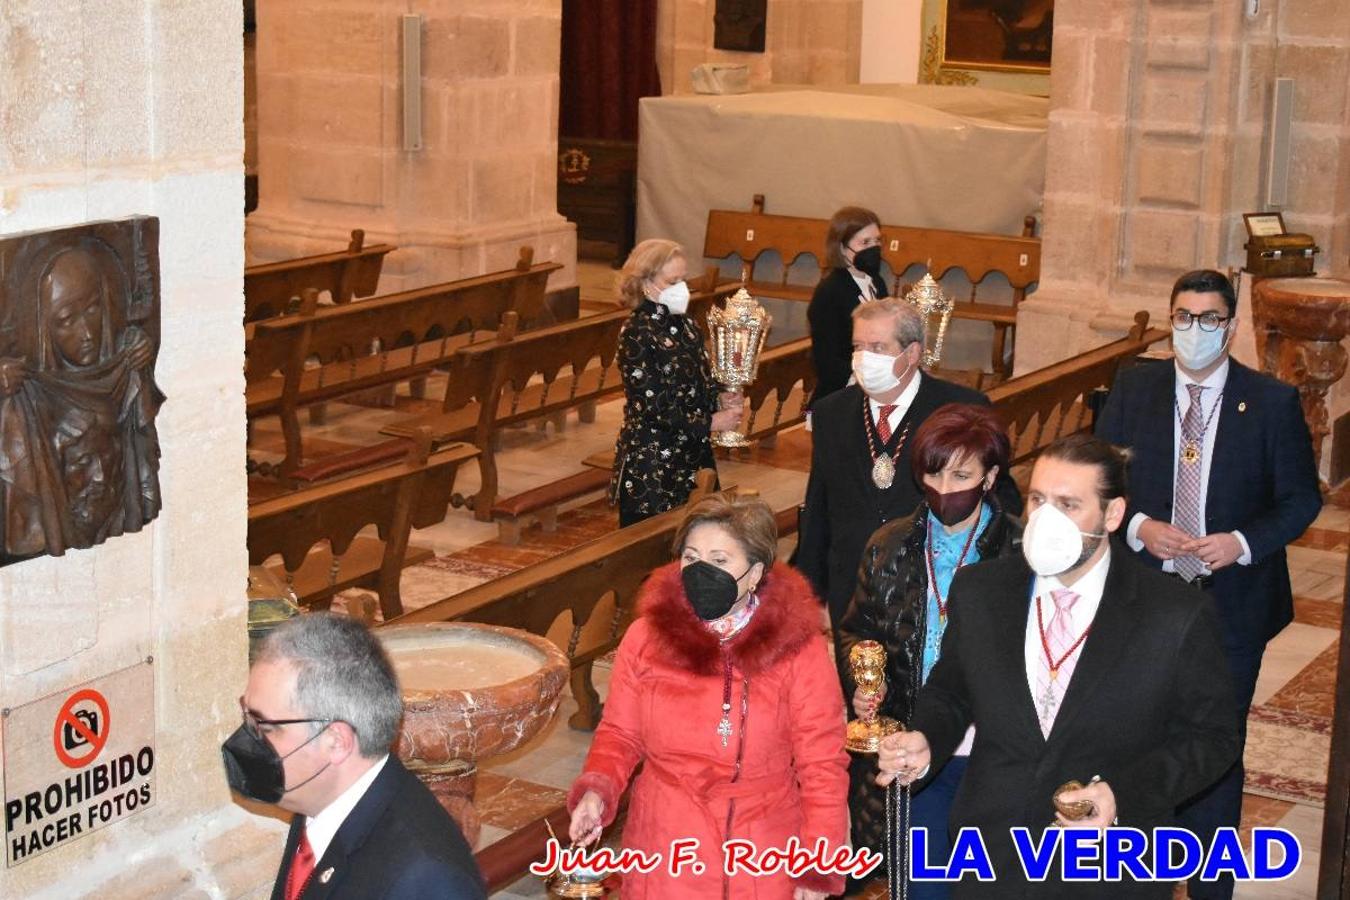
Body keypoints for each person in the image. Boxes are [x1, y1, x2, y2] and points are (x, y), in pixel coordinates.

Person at [877, 434, 1241, 898]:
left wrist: (1121, 794)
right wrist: (926, 737)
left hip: (1108, 864)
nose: (1047, 519)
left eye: (1069, 504)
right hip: (992, 854)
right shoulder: (982, 591)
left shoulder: (1173, 614)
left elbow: (1212, 738)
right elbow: (952, 689)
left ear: (1112, 515)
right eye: (1038, 500)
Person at [1094, 268, 1321, 900]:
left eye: (1210, 319)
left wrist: (1241, 543)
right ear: (1171, 319)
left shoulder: (1270, 401)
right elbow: (1100, 481)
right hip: (1143, 599)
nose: (1195, 331)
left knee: (1215, 744)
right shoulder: (1135, 388)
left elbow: (1300, 500)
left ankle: (1209, 886)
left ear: (1230, 324)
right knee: (1137, 737)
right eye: (1184, 318)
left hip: (1233, 608)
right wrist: (1138, 527)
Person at [568, 494, 850, 898]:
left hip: (760, 849)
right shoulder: (647, 638)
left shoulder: (797, 649)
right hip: (665, 842)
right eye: (691, 556)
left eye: (720, 561)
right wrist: (598, 790)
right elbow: (619, 733)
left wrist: (817, 864)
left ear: (755, 574)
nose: (701, 571)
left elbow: (822, 762)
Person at [836, 403, 1022, 899]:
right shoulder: (889, 545)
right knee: (922, 887)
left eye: (961, 474)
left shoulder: (1021, 551)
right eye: (933, 473)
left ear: (990, 477)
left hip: (995, 751)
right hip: (913, 744)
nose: (944, 488)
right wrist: (863, 683)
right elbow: (857, 630)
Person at [797, 298, 1022, 652]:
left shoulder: (962, 408)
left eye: (878, 347)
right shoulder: (830, 412)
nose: (863, 357)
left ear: (912, 353)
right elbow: (818, 508)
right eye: (858, 346)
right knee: (862, 699)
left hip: (930, 588)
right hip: (853, 592)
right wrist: (810, 591)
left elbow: (1001, 498)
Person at [222, 613, 486, 900]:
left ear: (336, 742)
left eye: (263, 727)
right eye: (246, 716)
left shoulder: (427, 881)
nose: (245, 740)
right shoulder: (320, 798)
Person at [0, 242, 163, 559]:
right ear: (41, 326)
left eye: (92, 309)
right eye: (65, 320)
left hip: (113, 520)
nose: (87, 332)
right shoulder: (27, 401)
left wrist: (143, 346)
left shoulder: (122, 370)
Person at [611, 239, 743, 526]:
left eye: (683, 279)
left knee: (706, 534)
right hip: (655, 460)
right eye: (672, 281)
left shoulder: (686, 325)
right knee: (655, 552)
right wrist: (711, 423)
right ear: (645, 283)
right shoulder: (636, 332)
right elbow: (653, 407)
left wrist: (720, 397)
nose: (681, 288)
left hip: (694, 452)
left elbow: (700, 379)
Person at [807, 206, 887, 404]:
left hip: (876, 386)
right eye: (865, 242)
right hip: (839, 395)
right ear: (842, 247)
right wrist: (867, 378)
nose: (873, 248)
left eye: (877, 241)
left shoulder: (877, 282)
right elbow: (827, 361)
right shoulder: (830, 291)